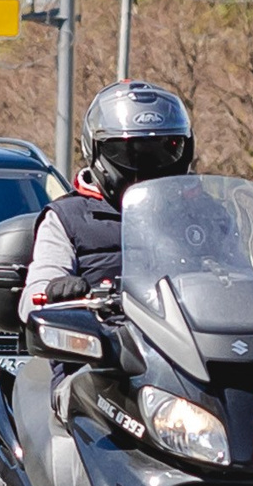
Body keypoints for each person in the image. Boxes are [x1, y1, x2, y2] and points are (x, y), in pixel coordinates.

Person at [20, 79, 195, 314]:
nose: (148, 165)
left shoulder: (204, 214)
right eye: (130, 152)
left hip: (194, 334)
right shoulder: (67, 218)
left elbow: (239, 272)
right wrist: (55, 290)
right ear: (95, 149)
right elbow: (33, 297)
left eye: (164, 150)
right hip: (106, 333)